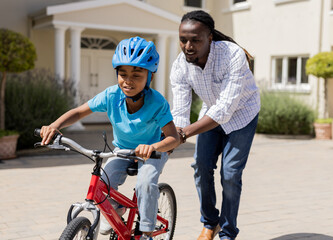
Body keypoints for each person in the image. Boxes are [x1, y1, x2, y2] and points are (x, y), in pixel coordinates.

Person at [40, 36, 180, 240]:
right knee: (102, 185)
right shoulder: (111, 96)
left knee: (145, 183)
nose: (128, 81)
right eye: (122, 74)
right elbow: (79, 112)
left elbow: (173, 138)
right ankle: (116, 212)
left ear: (149, 77)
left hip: (151, 153)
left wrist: (154, 147)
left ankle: (148, 231)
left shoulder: (157, 102)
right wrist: (54, 126)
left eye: (137, 75)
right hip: (121, 151)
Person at [170, 10, 260, 240]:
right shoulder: (180, 65)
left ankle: (228, 232)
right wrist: (176, 134)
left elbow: (225, 109)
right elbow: (180, 108)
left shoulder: (232, 55)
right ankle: (210, 223)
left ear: (209, 38)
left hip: (242, 115)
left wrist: (186, 133)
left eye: (195, 40)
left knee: (230, 174)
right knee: (200, 167)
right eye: (183, 39)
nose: (188, 46)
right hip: (210, 115)